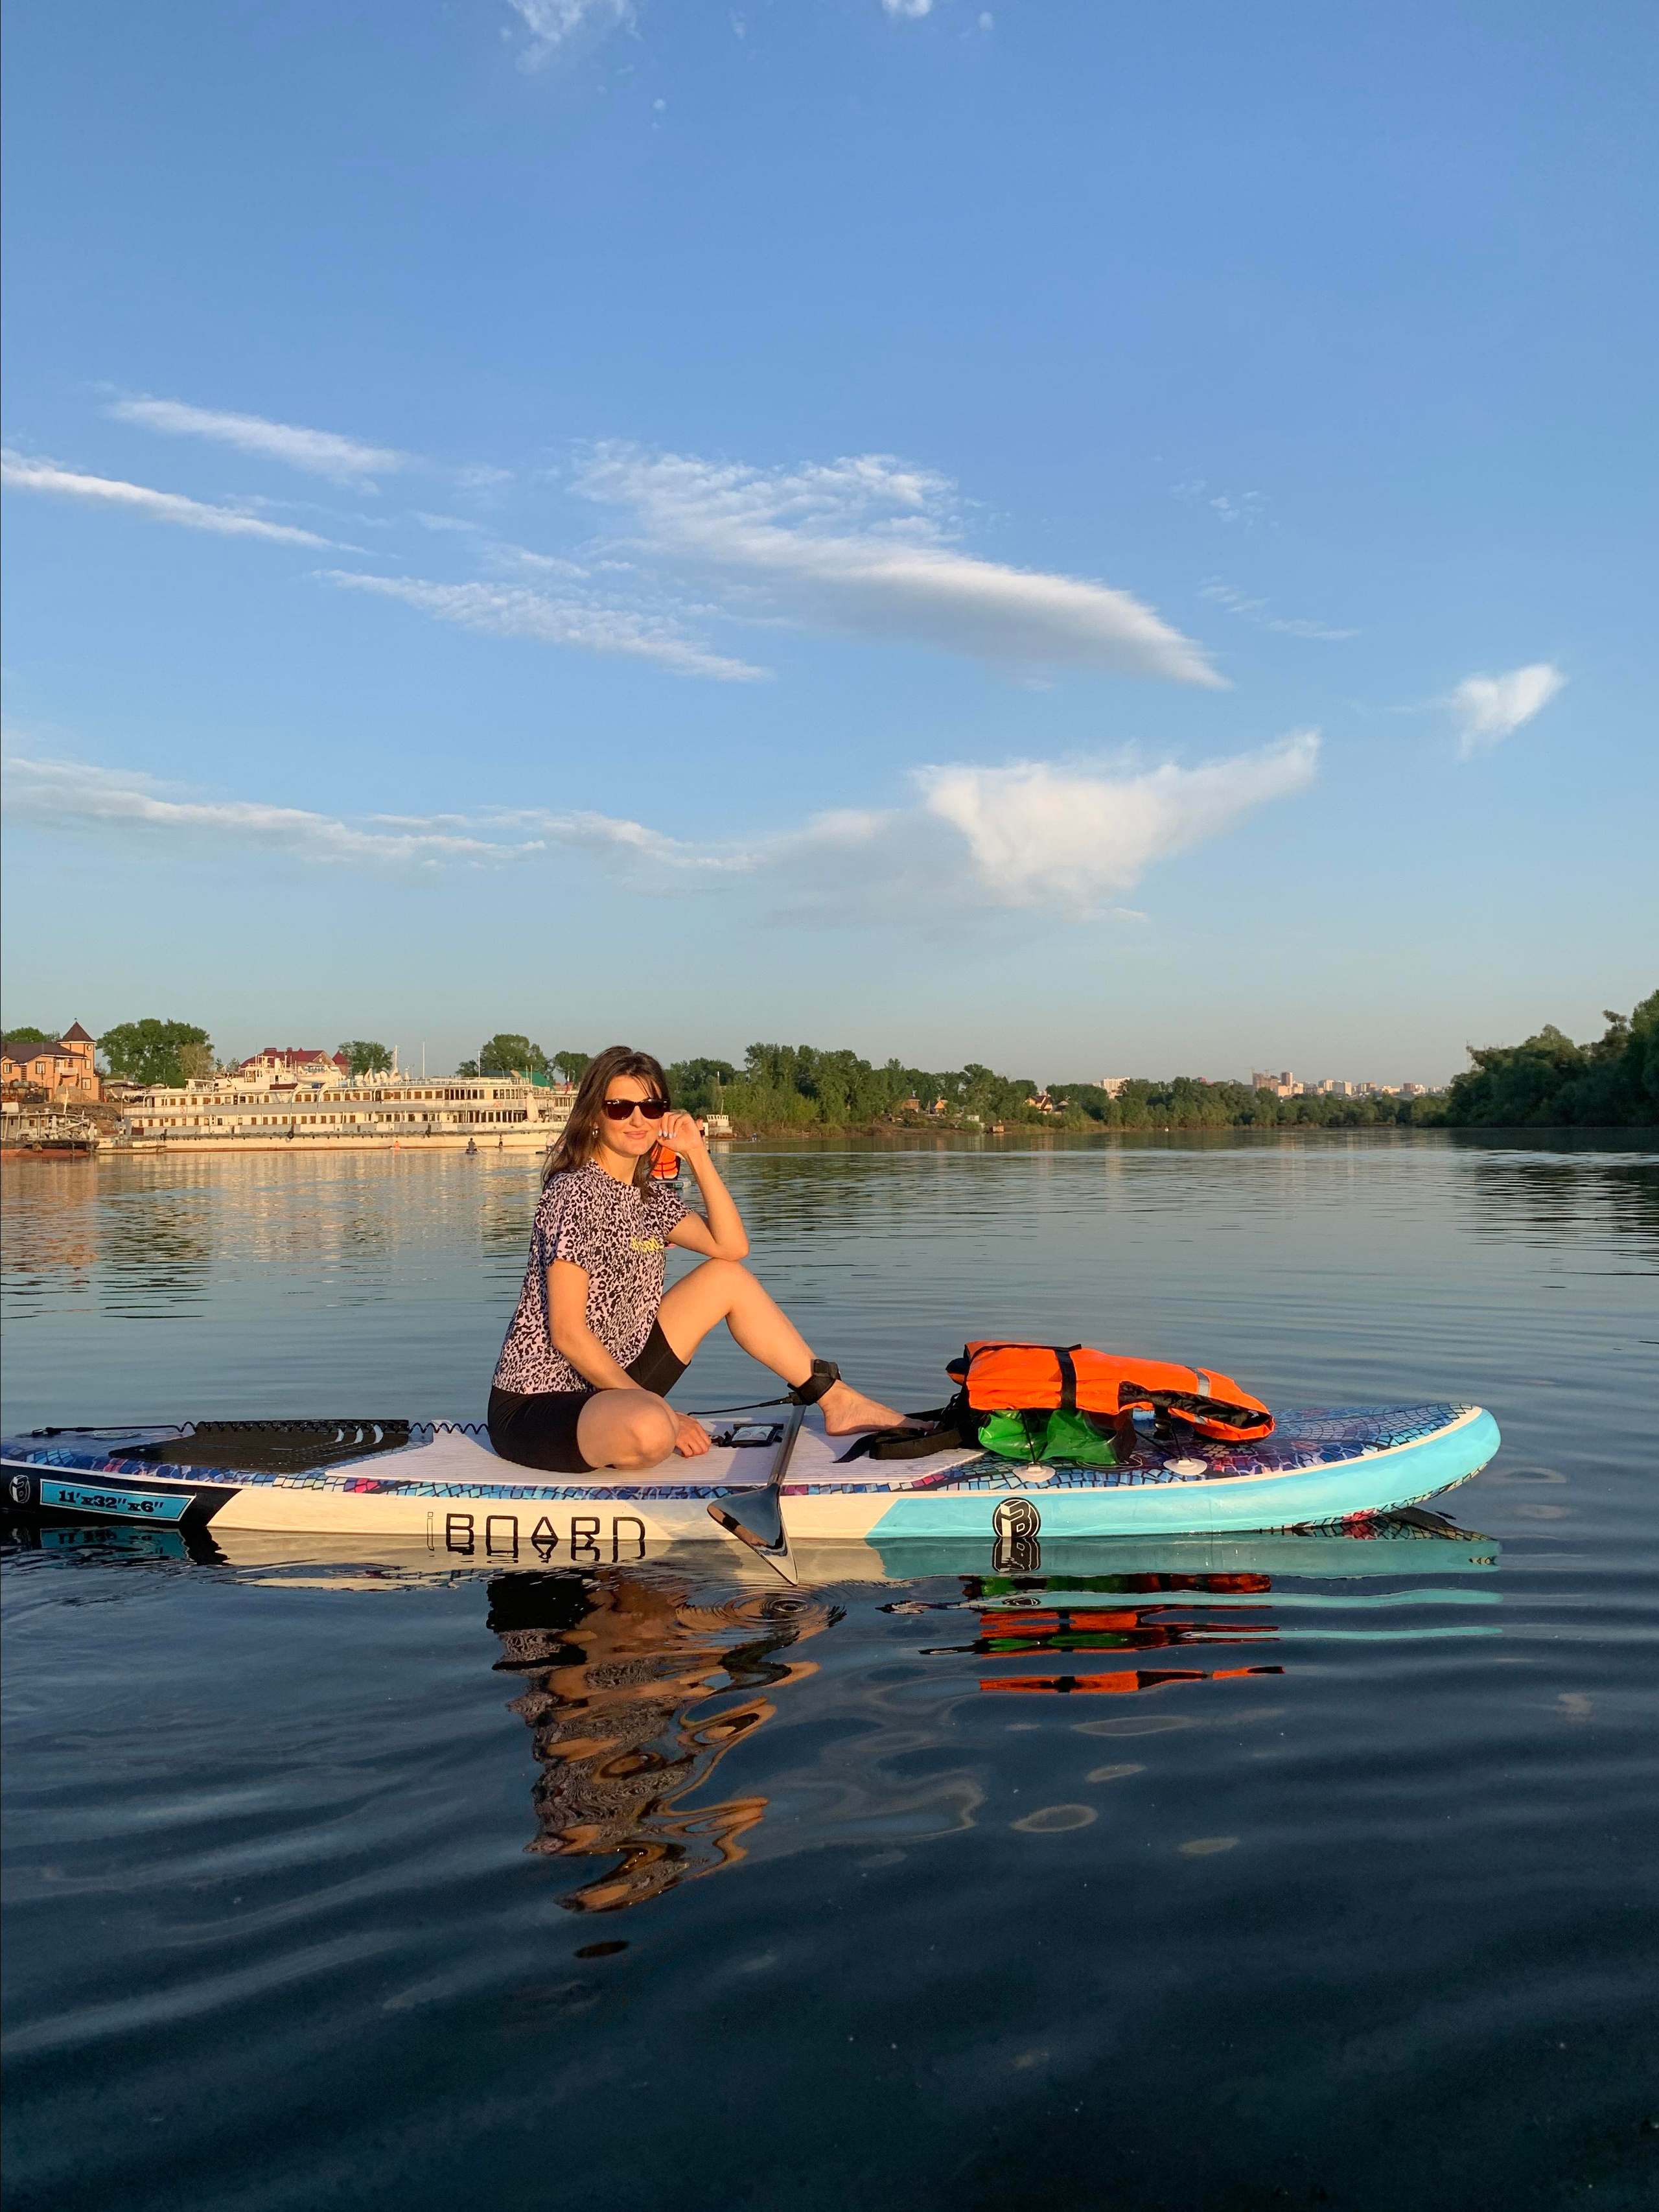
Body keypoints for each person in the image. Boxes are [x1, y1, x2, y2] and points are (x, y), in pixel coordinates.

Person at [488, 1045, 901, 1474]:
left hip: (612, 1384)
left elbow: (732, 1247)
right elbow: (568, 1333)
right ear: (594, 1115)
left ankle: (837, 1401)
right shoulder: (574, 1192)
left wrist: (697, 1154)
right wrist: (659, 1411)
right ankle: (637, 1427)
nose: (637, 1119)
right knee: (651, 1429)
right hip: (539, 1403)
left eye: (651, 1107)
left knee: (727, 1278)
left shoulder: (648, 1198)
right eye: (619, 1107)